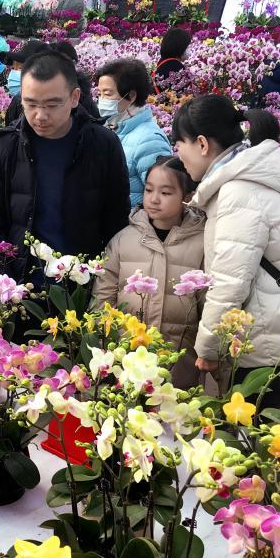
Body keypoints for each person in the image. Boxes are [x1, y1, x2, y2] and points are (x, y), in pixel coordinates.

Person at [173, 94, 280, 409]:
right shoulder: (254, 176)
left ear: (201, 144)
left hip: (263, 340)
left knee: (250, 437)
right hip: (279, 328)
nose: (178, 153)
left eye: (179, 143)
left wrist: (208, 348)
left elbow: (229, 282)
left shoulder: (238, 193)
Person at [0, 51, 130, 282]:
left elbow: (116, 220)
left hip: (81, 287)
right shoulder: (3, 147)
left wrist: (104, 283)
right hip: (19, 284)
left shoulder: (103, 145)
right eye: (31, 104)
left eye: (52, 104)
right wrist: (3, 279)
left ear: (75, 97)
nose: (40, 116)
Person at [95, 156, 205, 387]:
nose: (154, 199)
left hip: (179, 367)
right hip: (128, 362)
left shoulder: (203, 243)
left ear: (187, 197)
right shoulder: (123, 241)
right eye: (148, 190)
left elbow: (208, 306)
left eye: (165, 193)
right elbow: (103, 298)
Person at [94, 59, 171, 207]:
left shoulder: (150, 141)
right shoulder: (111, 128)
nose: (101, 100)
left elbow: (161, 199)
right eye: (100, 94)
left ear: (131, 96)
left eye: (107, 94)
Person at [2, 40, 98, 124]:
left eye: (21, 68)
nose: (40, 117)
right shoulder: (18, 102)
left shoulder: (79, 103)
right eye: (13, 68)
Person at [154, 28, 191, 94]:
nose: (189, 49)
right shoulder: (176, 67)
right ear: (180, 47)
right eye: (188, 46)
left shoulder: (164, 61)